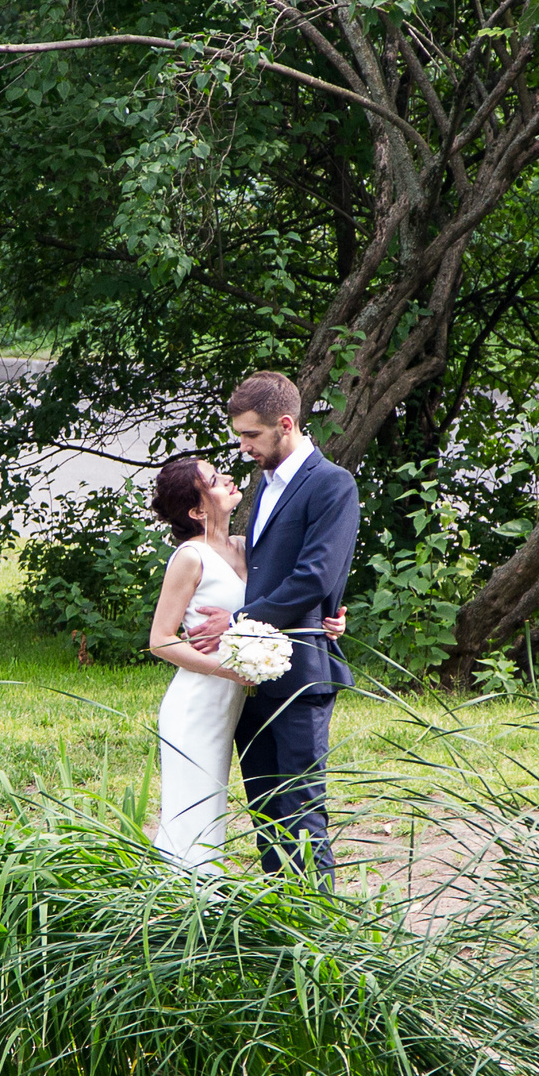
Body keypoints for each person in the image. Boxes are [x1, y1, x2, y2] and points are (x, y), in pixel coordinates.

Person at [187, 372, 359, 879]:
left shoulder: (332, 485)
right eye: (239, 435)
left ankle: (319, 937)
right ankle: (279, 932)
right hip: (252, 677)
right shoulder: (265, 485)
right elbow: (263, 571)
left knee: (303, 812)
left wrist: (238, 621)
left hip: (302, 675)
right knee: (265, 812)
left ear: (286, 424)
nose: (243, 448)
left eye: (251, 435)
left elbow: (313, 578)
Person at [146, 453, 350, 873]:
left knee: (235, 805)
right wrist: (228, 668)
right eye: (216, 481)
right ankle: (179, 905)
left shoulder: (245, 547)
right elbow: (161, 641)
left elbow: (282, 600)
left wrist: (326, 622)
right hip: (200, 701)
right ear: (197, 510)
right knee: (195, 811)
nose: (230, 481)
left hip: (241, 700)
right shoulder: (190, 558)